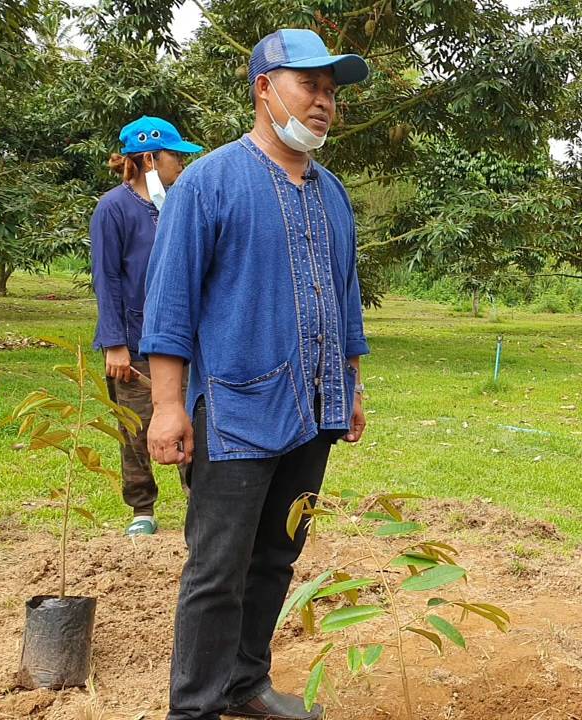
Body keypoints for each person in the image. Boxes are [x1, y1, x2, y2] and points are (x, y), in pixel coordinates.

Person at [141, 28, 369, 720]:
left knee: (276, 557)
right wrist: (168, 406)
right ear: (265, 88)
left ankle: (245, 683)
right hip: (236, 415)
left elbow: (346, 296)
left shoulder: (332, 194)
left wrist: (353, 388)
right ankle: (196, 707)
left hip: (314, 412)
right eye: (311, 85)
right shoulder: (209, 183)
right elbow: (170, 305)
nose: (325, 102)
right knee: (216, 571)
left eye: (332, 91)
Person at [90, 116, 202, 536]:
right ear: (151, 160)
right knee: (135, 426)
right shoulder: (113, 208)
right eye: (177, 157)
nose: (182, 166)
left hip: (182, 339)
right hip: (134, 342)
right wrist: (114, 344)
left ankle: (198, 499)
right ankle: (142, 507)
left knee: (191, 420)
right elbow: (108, 278)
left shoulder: (178, 205)